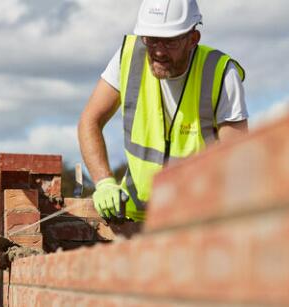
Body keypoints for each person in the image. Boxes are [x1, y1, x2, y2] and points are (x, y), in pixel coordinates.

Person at [78, 0, 249, 222]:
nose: (158, 51)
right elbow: (89, 121)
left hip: (195, 221)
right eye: (151, 40)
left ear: (192, 39)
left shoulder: (221, 74)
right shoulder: (128, 56)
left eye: (169, 42)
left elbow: (238, 161)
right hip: (134, 218)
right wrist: (103, 182)